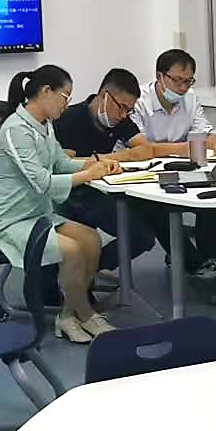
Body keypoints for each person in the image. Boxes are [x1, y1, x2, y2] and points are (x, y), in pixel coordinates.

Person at [0, 64, 122, 345]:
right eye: (65, 97)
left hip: (38, 214)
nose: (67, 104)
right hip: (9, 220)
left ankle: (67, 315)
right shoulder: (15, 129)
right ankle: (86, 314)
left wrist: (95, 165)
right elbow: (43, 183)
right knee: (71, 250)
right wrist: (88, 174)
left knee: (91, 239)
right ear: (46, 91)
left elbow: (60, 163)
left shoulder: (44, 126)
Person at [126, 48, 216, 297]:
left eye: (188, 81)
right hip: (145, 178)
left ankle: (213, 262)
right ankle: (198, 268)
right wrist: (186, 147)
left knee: (211, 199)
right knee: (159, 211)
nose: (183, 87)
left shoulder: (190, 98)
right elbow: (141, 148)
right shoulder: (139, 102)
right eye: (177, 80)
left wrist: (213, 140)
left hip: (182, 171)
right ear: (160, 76)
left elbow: (204, 131)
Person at [50, 67, 160, 280]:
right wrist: (108, 159)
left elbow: (144, 149)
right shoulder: (71, 118)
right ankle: (78, 273)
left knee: (144, 235)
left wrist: (109, 159)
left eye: (129, 110)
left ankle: (86, 269)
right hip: (73, 192)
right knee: (136, 234)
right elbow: (64, 164)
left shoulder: (119, 118)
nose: (123, 115)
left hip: (103, 189)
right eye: (122, 107)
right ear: (104, 95)